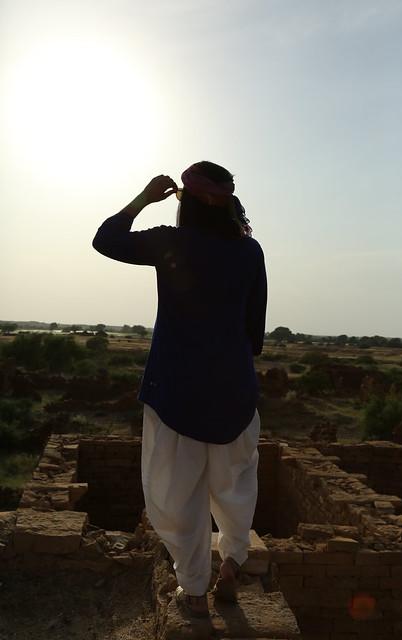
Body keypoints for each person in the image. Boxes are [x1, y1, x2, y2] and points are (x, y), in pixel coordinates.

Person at [92, 161, 267, 619]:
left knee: (177, 493)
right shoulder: (250, 253)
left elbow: (105, 239)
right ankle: (232, 562)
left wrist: (143, 199)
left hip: (175, 390)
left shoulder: (171, 241)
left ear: (184, 202)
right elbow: (256, 331)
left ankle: (193, 591)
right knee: (235, 483)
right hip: (234, 389)